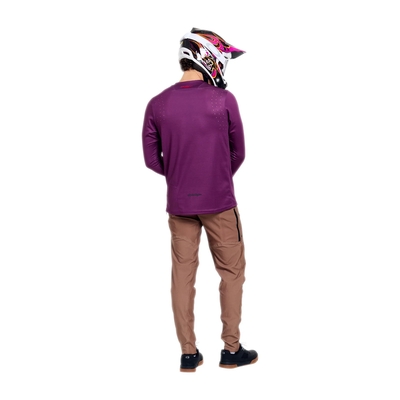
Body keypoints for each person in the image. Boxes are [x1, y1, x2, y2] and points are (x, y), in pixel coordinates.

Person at [142, 28, 258, 372]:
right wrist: (214, 177)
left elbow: (151, 159)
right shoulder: (223, 100)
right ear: (209, 57)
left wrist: (182, 177)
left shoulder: (157, 104)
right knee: (232, 273)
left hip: (180, 206)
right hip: (219, 202)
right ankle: (231, 350)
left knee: (182, 276)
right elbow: (238, 152)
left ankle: (188, 354)